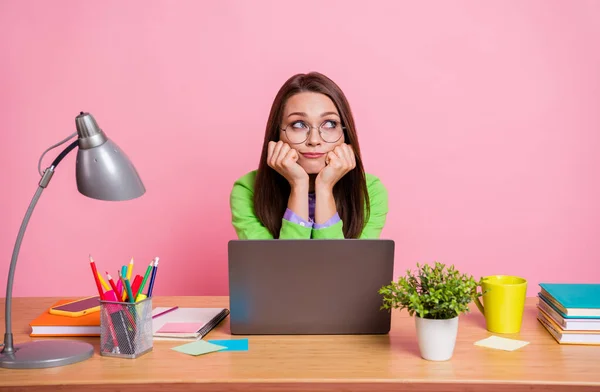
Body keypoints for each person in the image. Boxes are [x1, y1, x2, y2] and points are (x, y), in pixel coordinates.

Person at [230, 71, 388, 239]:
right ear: (277, 134)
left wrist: (324, 188)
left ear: (345, 134)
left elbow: (340, 264)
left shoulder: (370, 191)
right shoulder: (247, 190)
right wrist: (298, 185)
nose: (314, 140)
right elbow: (282, 265)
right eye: (299, 124)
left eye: (329, 124)